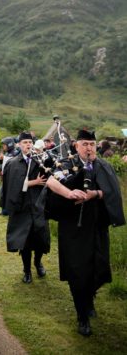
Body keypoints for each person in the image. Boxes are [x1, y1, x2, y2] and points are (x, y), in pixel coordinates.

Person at [45, 129, 125, 337]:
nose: (89, 148)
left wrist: (94, 194)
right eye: (84, 144)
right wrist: (69, 192)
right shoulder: (67, 164)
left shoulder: (104, 166)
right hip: (74, 229)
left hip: (98, 227)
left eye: (92, 143)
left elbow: (113, 192)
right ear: (76, 146)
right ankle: (82, 316)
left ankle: (89, 299)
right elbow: (52, 182)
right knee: (77, 272)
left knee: (98, 269)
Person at [3, 131, 50, 284]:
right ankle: (27, 270)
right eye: (25, 142)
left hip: (37, 206)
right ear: (19, 145)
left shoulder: (38, 161)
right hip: (21, 207)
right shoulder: (12, 163)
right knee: (25, 242)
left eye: (30, 142)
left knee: (40, 239)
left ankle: (38, 263)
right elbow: (11, 186)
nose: (28, 145)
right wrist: (31, 183)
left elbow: (47, 178)